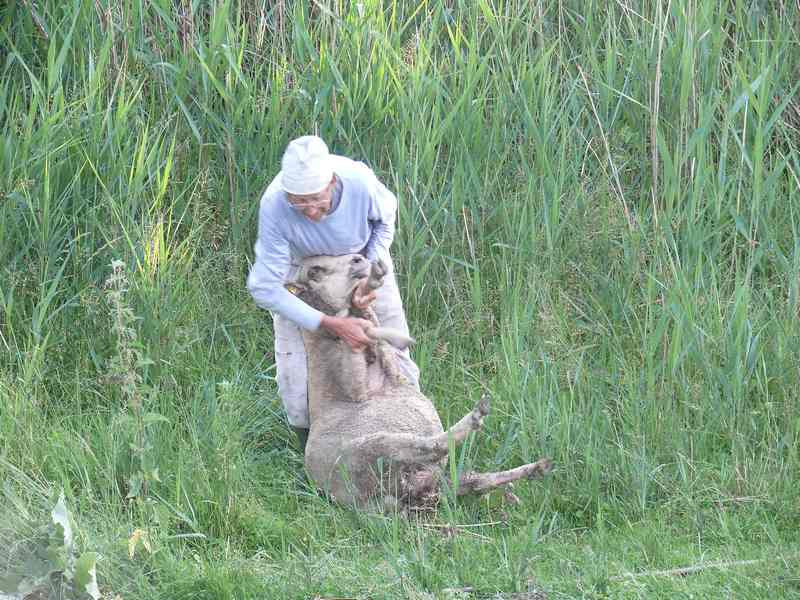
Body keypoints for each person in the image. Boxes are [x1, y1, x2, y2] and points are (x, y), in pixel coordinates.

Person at [247, 135, 420, 452]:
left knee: (393, 350)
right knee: (295, 370)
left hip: (359, 260)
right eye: (299, 202)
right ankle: (313, 451)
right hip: (305, 270)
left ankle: (412, 435)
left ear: (332, 183)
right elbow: (264, 287)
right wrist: (328, 322)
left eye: (317, 199)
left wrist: (369, 277)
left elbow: (385, 219)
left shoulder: (358, 180)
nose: (310, 211)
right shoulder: (274, 204)